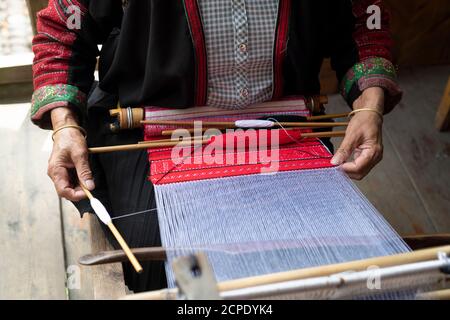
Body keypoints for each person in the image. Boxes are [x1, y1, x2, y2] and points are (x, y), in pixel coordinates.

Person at [31, 0, 402, 292]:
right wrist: (65, 126)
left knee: (330, 262)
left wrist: (370, 105)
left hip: (278, 122)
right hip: (155, 122)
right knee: (168, 264)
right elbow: (64, 27)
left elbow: (363, 19)